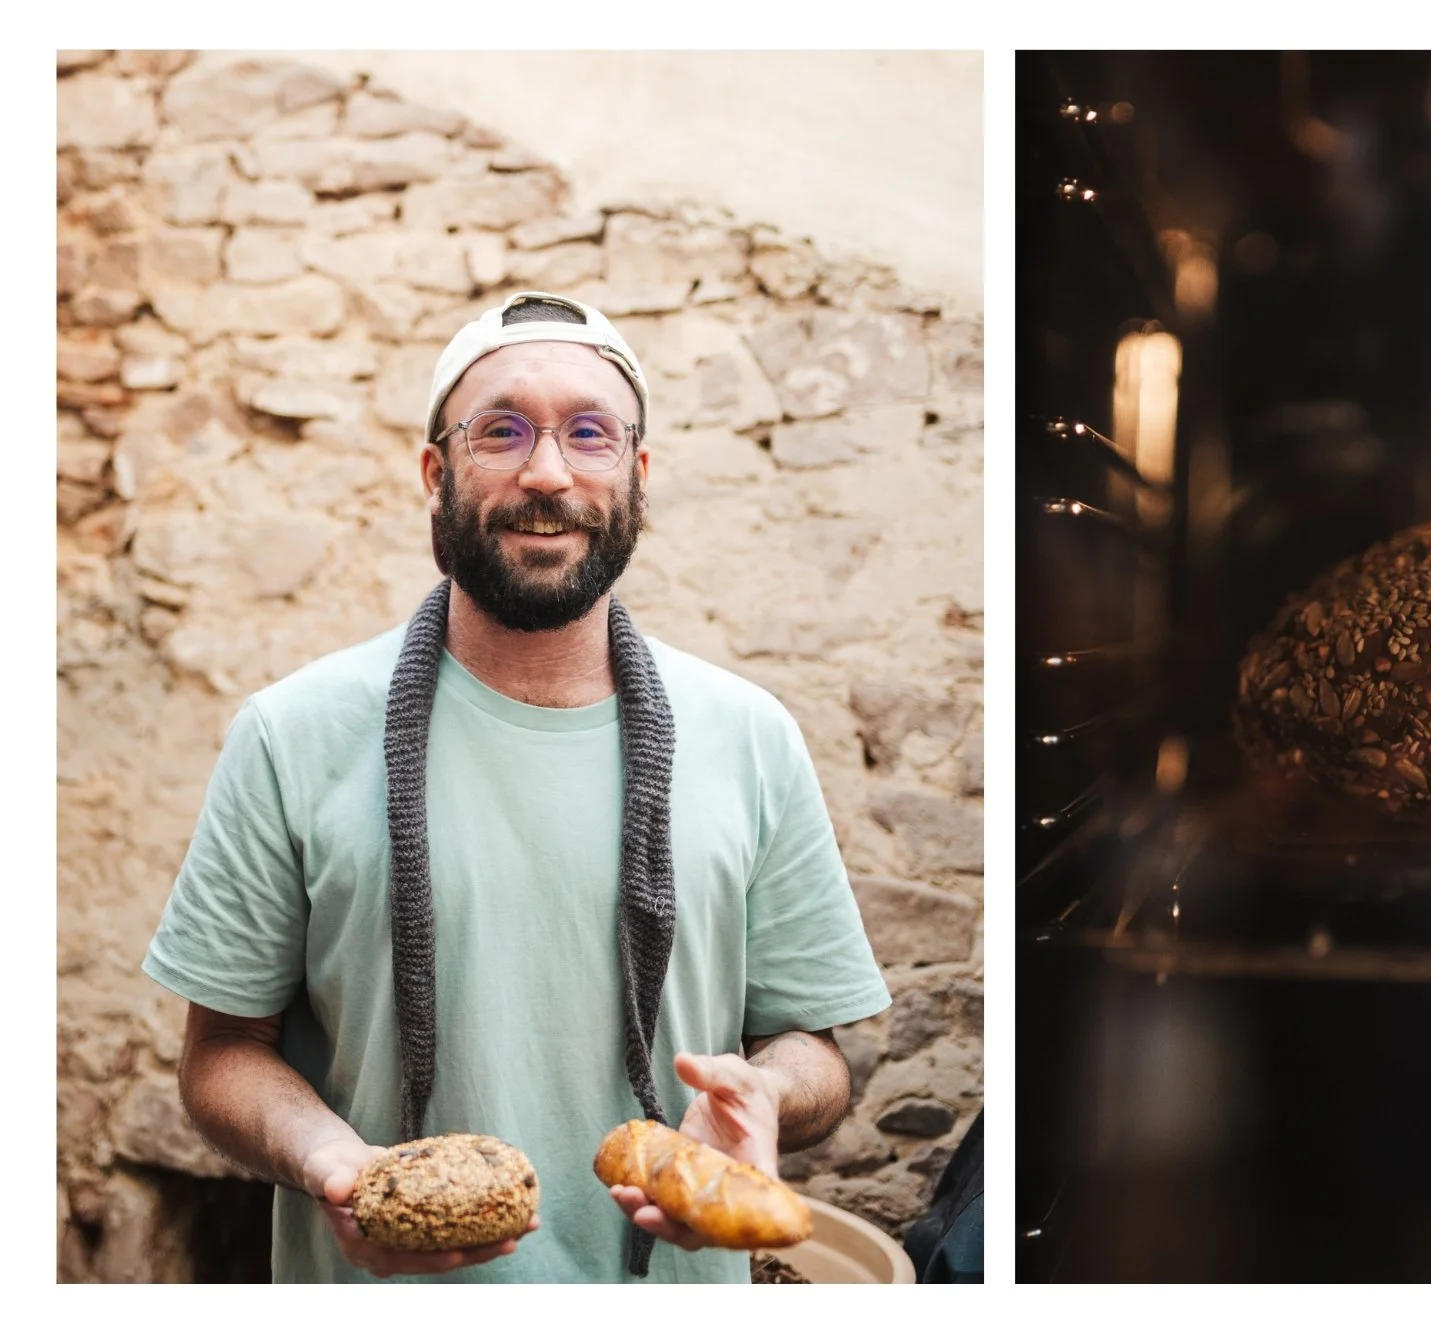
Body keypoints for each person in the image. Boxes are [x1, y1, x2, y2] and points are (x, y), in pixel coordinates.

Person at [142, 291, 892, 1283]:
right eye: (501, 431)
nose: (547, 472)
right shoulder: (291, 733)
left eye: (590, 434)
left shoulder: (750, 735)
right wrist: (331, 1162)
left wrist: (760, 1091)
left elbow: (813, 1046)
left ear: (637, 472)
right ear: (434, 470)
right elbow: (220, 1054)